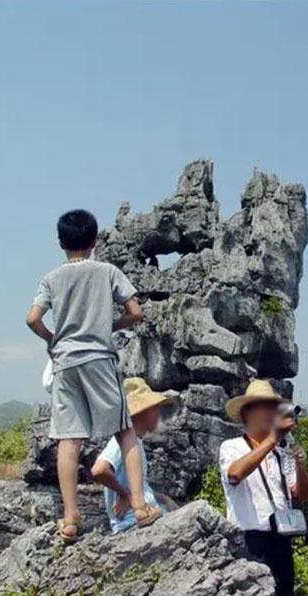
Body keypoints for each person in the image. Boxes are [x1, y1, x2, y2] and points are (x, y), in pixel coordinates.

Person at [25, 209, 161, 542]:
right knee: (124, 431)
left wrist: (52, 338)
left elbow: (32, 319)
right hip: (100, 358)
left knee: (69, 439)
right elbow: (136, 312)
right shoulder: (107, 271)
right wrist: (111, 326)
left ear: (60, 243)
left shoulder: (52, 278)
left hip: (66, 362)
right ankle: (140, 507)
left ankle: (70, 519)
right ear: (95, 240)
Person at [219, 379, 308, 596]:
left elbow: (301, 494)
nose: (272, 413)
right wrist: (272, 439)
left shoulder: (281, 452)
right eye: (266, 407)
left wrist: (300, 467)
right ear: (247, 413)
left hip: (281, 538)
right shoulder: (232, 446)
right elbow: (235, 474)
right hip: (249, 540)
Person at [91, 377, 179, 533]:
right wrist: (124, 496)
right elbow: (99, 470)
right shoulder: (122, 444)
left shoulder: (135, 443)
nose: (158, 414)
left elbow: (138, 485)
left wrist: (163, 499)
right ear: (144, 412)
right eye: (154, 409)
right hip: (131, 524)